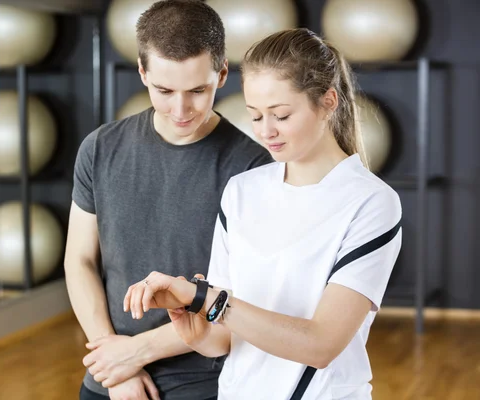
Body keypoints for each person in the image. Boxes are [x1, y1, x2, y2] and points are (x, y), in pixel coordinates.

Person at [122, 28, 403, 400]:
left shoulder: (371, 202)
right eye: (255, 116)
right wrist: (196, 326)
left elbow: (320, 345)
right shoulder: (242, 191)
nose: (266, 131)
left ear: (329, 101)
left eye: (281, 115)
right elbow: (223, 339)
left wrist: (207, 299)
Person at [64, 1, 273, 399]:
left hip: (205, 383)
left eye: (198, 90)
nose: (181, 109)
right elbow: (80, 260)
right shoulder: (99, 148)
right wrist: (117, 367)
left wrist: (135, 353)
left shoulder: (254, 168)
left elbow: (245, 300)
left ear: (223, 73)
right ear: (142, 72)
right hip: (108, 378)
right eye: (164, 90)